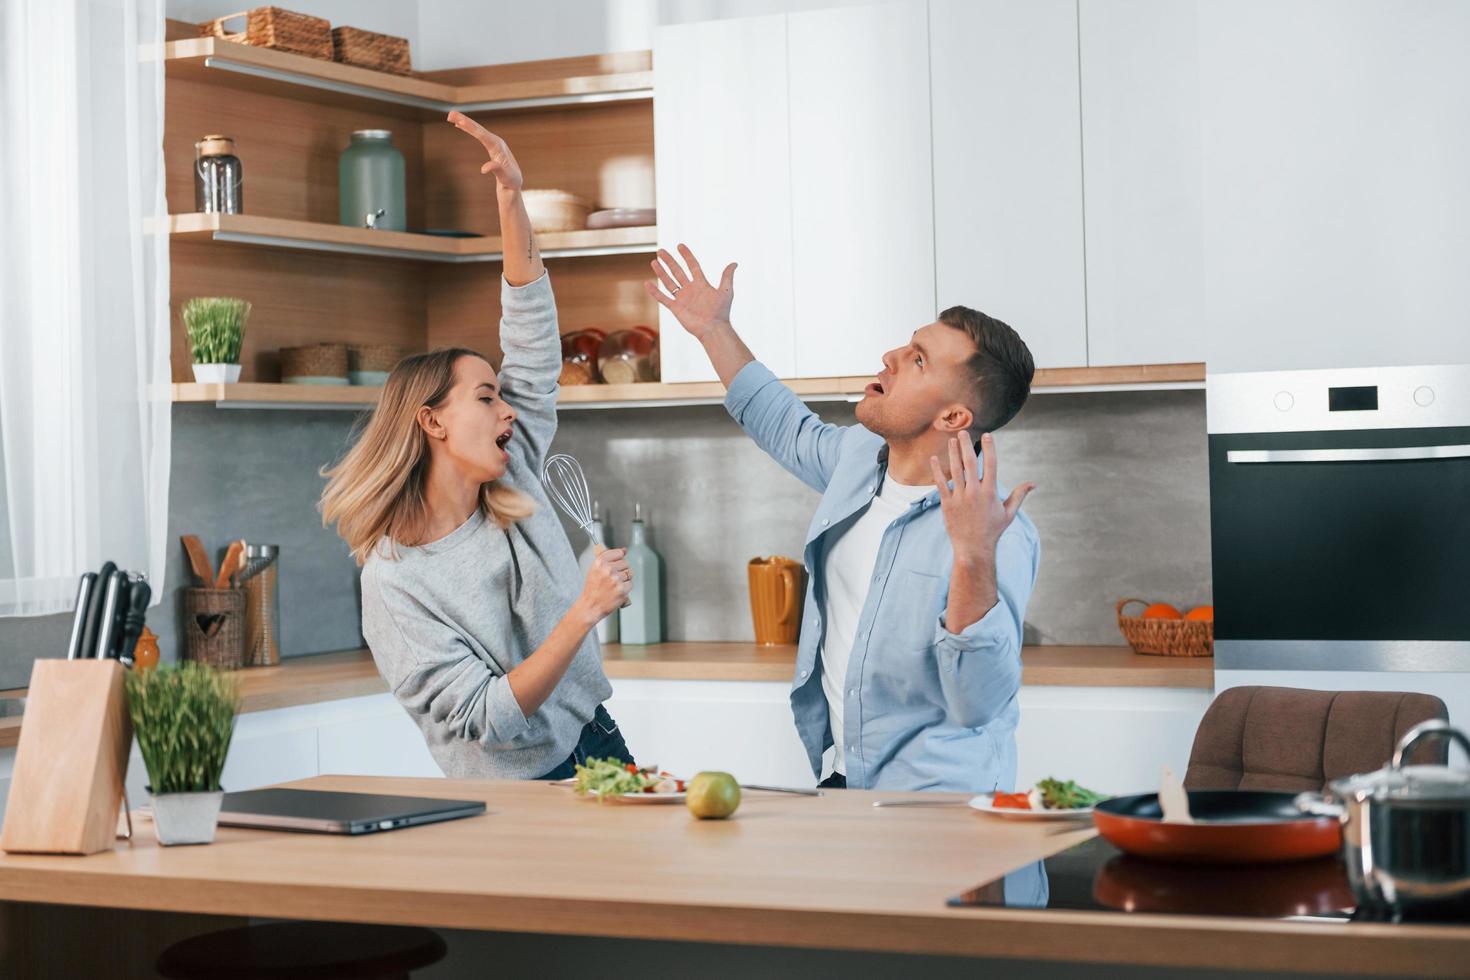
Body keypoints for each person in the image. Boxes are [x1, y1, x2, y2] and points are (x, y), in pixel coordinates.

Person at [646, 245, 1039, 793]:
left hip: (943, 813)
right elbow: (785, 424)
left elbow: (976, 702)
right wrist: (714, 329)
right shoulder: (857, 462)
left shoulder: (999, 533)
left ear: (954, 417)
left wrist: (973, 556)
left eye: (918, 359)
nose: (891, 355)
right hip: (847, 786)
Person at [319, 113, 635, 781]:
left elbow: (530, 335)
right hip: (517, 793)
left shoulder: (514, 470)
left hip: (597, 741)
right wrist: (584, 612)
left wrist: (512, 201)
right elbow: (489, 718)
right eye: (487, 396)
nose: (509, 409)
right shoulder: (396, 582)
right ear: (432, 422)